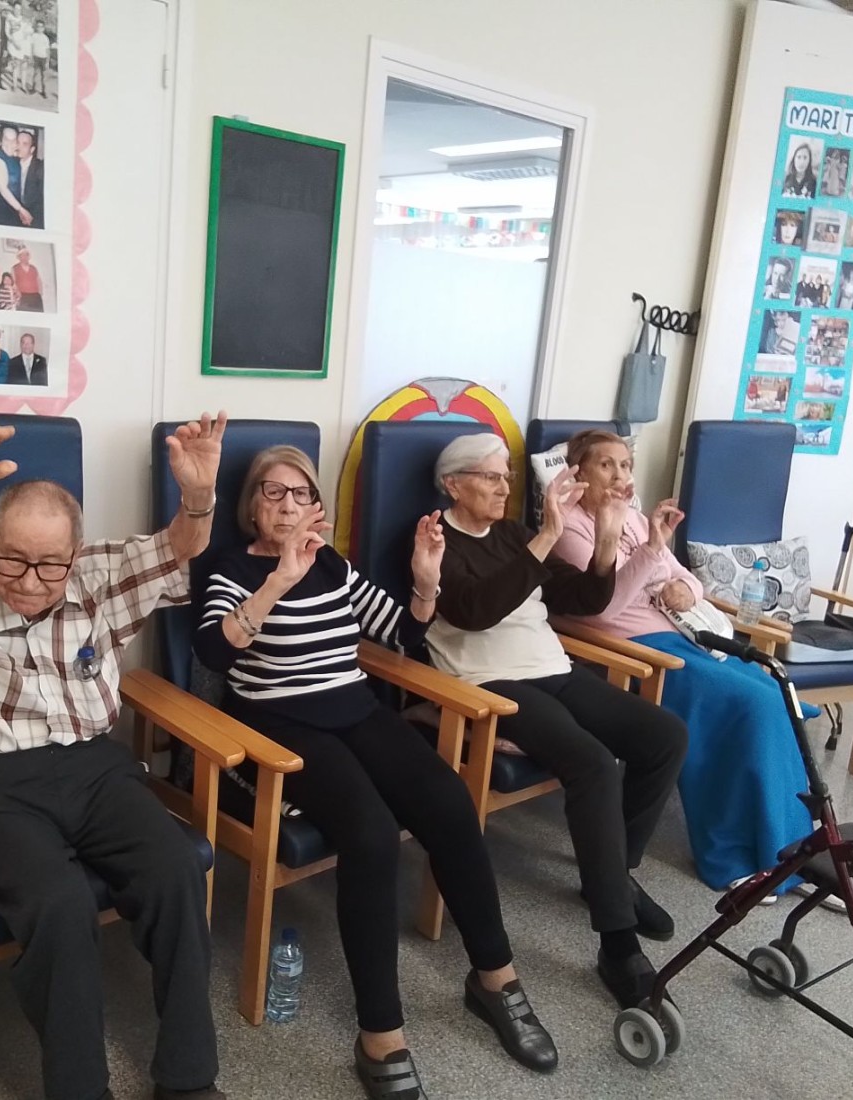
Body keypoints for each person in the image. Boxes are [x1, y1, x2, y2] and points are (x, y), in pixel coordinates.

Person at [0, 415, 229, 1100]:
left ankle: (188, 1080)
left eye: (51, 564)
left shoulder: (100, 574)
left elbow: (181, 546)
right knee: (59, 904)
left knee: (176, 871)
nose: (31, 580)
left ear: (74, 553)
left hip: (96, 769)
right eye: (14, 559)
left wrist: (199, 496)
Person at [195, 445, 559, 1095]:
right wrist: (278, 579)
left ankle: (494, 978)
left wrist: (424, 582)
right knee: (369, 835)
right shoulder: (231, 568)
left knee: (449, 803)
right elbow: (213, 654)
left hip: (356, 708)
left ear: (317, 507)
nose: (288, 505)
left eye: (301, 493)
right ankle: (381, 1033)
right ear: (252, 506)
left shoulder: (331, 563)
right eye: (272, 492)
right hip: (278, 722)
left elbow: (401, 633)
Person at [423, 435, 687, 1012]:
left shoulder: (512, 535)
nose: (504, 487)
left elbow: (583, 598)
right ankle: (617, 944)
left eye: (507, 477)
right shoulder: (434, 539)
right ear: (453, 485)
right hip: (490, 682)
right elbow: (473, 611)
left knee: (664, 737)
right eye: (491, 477)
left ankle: (612, 874)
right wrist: (546, 534)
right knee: (593, 763)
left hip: (552, 668)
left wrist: (609, 536)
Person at [552, 429, 814, 902]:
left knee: (777, 694)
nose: (619, 475)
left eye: (625, 465)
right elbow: (601, 609)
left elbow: (687, 578)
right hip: (630, 650)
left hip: (679, 635)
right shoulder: (570, 527)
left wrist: (684, 590)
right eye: (606, 465)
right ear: (579, 472)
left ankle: (796, 852)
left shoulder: (634, 519)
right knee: (751, 705)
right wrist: (652, 551)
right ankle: (735, 855)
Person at [0, 124, 31, 227]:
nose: (10, 144)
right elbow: (2, 188)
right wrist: (21, 210)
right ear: (1, 140)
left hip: (12, 206)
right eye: (6, 139)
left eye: (13, 140)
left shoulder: (14, 157)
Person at [17, 129, 44, 230]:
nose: (19, 147)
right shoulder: (13, 163)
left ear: (32, 149)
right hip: (17, 212)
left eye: (24, 144)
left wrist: (29, 217)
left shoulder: (40, 167)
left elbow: (42, 200)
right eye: (18, 142)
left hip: (35, 216)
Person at [12, 246, 44, 310]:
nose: (24, 257)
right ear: (19, 257)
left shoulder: (34, 268)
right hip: (22, 297)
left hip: (35, 296)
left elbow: (39, 281)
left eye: (26, 255)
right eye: (22, 255)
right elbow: (13, 283)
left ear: (28, 257)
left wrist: (40, 293)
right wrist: (16, 293)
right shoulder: (14, 268)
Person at [30, 19, 51, 97]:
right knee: (35, 74)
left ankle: (44, 91)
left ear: (43, 28)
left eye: (41, 27)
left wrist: (47, 62)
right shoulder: (34, 36)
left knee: (44, 76)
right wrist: (31, 57)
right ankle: (33, 89)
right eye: (38, 26)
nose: (39, 28)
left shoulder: (45, 38)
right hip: (36, 57)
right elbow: (32, 47)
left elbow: (48, 50)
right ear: (36, 27)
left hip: (43, 58)